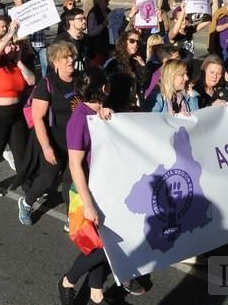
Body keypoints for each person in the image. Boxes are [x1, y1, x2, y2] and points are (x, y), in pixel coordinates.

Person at [61, 67, 145, 304]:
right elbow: (75, 165)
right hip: (86, 190)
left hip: (105, 187)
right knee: (99, 246)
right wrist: (88, 204)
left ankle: (96, 292)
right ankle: (68, 280)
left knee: (104, 240)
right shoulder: (79, 119)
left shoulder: (99, 114)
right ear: (103, 88)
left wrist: (106, 116)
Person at [17, 41, 79, 226]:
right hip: (55, 141)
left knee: (71, 180)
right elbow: (38, 118)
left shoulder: (80, 79)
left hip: (76, 143)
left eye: (72, 56)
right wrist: (46, 147)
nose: (70, 60)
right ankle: (27, 202)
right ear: (55, 62)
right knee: (47, 180)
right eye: (65, 57)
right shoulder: (48, 84)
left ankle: (71, 218)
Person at [0, 20, 37, 197]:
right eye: (9, 45)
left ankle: (28, 186)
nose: (12, 46)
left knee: (21, 153)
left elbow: (32, 81)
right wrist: (9, 34)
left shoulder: (17, 65)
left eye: (13, 45)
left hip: (15, 115)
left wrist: (19, 62)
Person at [105, 29, 148, 109]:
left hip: (132, 104)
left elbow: (142, 84)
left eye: (137, 42)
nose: (135, 44)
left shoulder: (136, 61)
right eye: (132, 41)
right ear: (124, 42)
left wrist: (143, 67)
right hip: (116, 104)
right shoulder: (114, 62)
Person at [54, 8, 89, 75]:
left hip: (82, 80)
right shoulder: (61, 40)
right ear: (71, 21)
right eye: (80, 19)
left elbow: (91, 60)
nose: (84, 21)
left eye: (84, 18)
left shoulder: (87, 38)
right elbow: (55, 66)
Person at [86, 0, 111, 66]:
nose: (108, 2)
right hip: (97, 49)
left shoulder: (108, 11)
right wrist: (102, 25)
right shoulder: (93, 13)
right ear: (99, 0)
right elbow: (90, 33)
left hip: (108, 47)